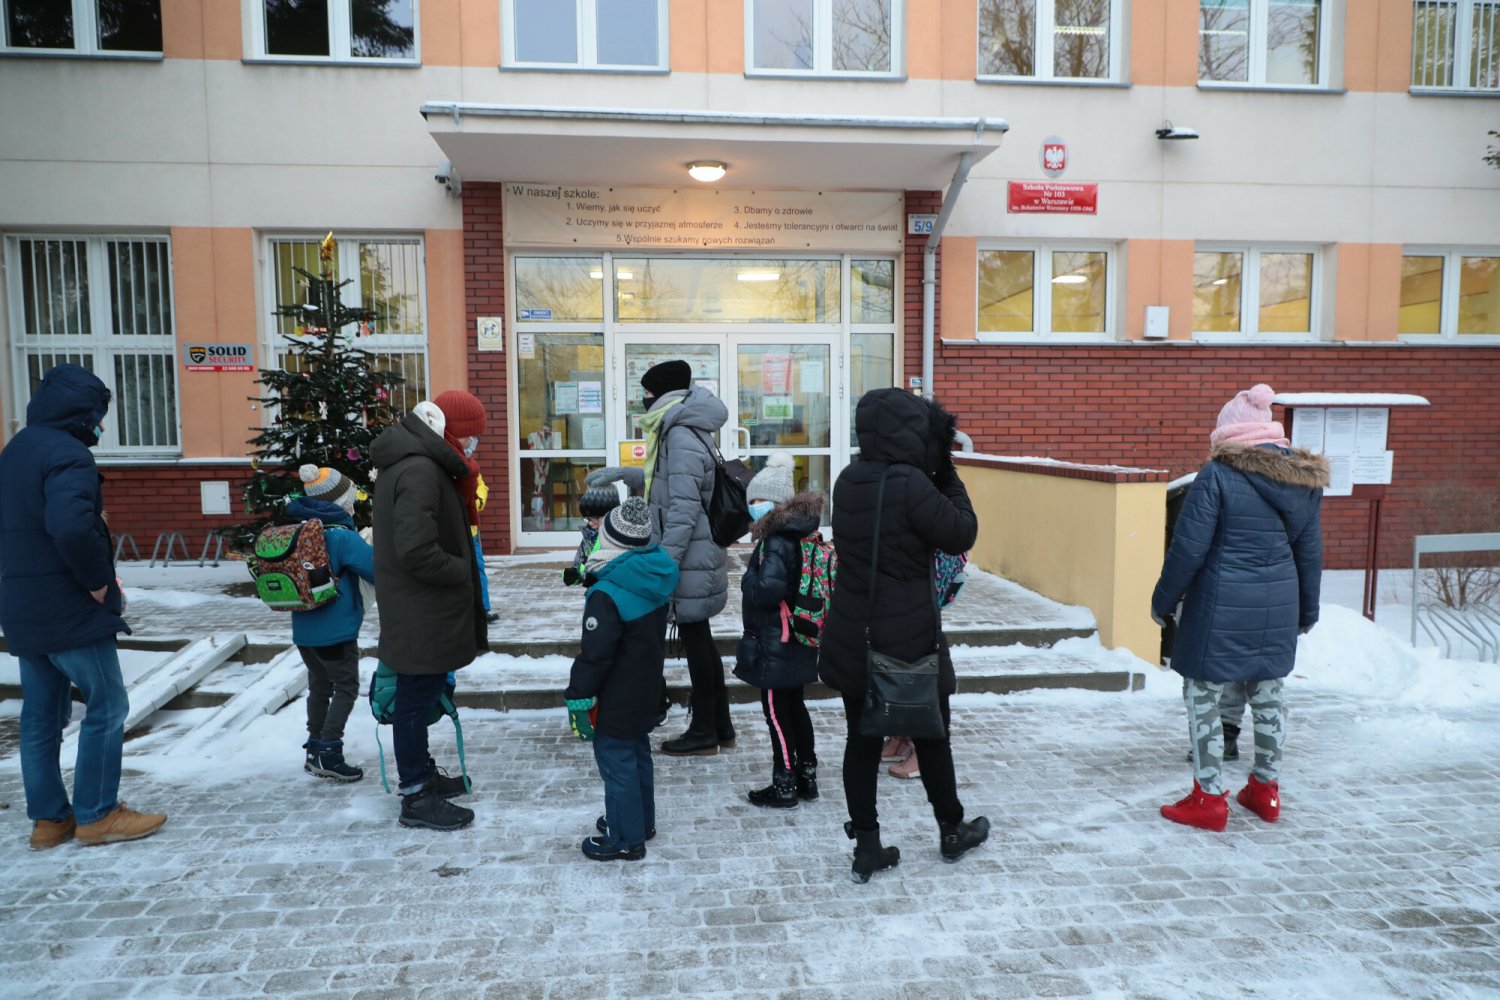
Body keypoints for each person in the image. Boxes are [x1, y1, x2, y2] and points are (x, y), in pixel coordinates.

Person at [819, 388, 989, 883]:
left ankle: (867, 847)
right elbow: (961, 532)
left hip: (854, 630)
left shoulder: (848, 479)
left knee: (861, 740)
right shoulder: (913, 483)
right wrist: (948, 472)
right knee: (932, 735)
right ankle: (952, 829)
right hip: (909, 634)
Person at [0, 363, 166, 849]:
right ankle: (97, 813)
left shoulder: (16, 452)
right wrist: (97, 584)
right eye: (99, 414)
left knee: (41, 715)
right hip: (67, 606)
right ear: (82, 412)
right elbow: (70, 526)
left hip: (24, 604)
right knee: (107, 703)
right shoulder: (68, 455)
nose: (101, 425)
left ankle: (50, 821)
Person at [1152, 383, 1327, 832]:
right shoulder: (1303, 480)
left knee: (1203, 696)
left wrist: (1163, 601)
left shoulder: (1217, 476)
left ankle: (1208, 798)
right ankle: (1265, 792)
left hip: (1220, 605)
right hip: (1279, 604)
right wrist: (1307, 611)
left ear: (1230, 434)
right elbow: (1309, 552)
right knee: (1268, 694)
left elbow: (1187, 549)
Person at [589, 360, 735, 757]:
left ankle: (705, 731)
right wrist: (629, 475)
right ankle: (720, 726)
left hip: (688, 556)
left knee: (697, 642)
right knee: (699, 640)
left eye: (647, 392)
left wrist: (665, 563)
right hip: (692, 553)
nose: (643, 398)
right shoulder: (678, 429)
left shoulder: (681, 434)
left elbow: (684, 509)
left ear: (660, 394)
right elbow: (666, 485)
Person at [371, 395, 489, 831]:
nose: (475, 443)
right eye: (471, 434)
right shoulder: (420, 469)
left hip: (421, 607)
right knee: (414, 701)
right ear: (452, 431)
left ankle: (421, 777)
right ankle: (416, 795)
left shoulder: (421, 462)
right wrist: (461, 571)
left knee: (421, 696)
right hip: (420, 608)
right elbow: (417, 549)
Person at [564, 497, 679, 861]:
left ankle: (625, 838)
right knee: (637, 754)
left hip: (616, 694)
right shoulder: (651, 575)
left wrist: (578, 697)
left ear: (613, 541)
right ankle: (639, 820)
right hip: (646, 685)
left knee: (616, 763)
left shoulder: (607, 592)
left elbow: (595, 655)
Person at [732, 452, 822, 808]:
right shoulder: (799, 533)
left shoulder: (776, 540)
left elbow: (765, 591)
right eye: (751, 500)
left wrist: (747, 578)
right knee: (795, 708)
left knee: (776, 714)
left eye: (759, 500)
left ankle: (784, 783)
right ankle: (806, 776)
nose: (754, 507)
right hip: (795, 637)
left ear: (777, 503)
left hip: (775, 640)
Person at [287, 464, 375, 782]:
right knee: (346, 687)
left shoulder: (300, 530)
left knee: (320, 686)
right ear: (341, 502)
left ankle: (314, 749)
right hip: (336, 633)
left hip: (304, 632)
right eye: (350, 498)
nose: (354, 504)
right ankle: (329, 752)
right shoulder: (340, 535)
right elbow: (376, 571)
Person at [432, 389, 498, 625]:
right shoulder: (433, 466)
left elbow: (480, 488)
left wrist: (476, 501)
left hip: (469, 530)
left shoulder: (469, 466)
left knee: (477, 568)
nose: (473, 441)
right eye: (468, 434)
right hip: (448, 533)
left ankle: (483, 606)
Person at [563, 483, 624, 588]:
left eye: (594, 518)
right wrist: (574, 575)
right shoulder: (590, 536)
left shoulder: (621, 538)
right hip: (597, 593)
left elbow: (623, 569)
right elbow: (581, 565)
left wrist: (597, 576)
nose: (590, 523)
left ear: (608, 514)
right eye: (587, 518)